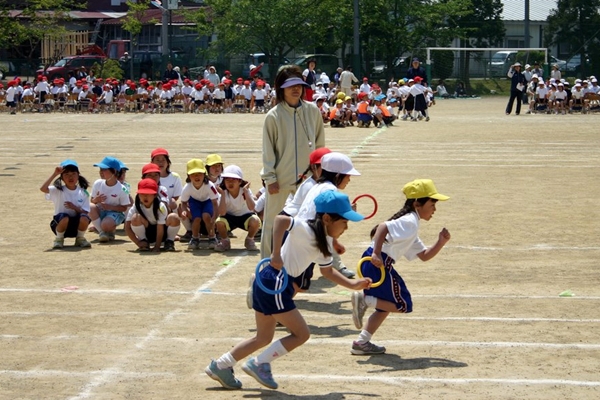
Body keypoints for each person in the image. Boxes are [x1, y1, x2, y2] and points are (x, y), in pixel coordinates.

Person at [205, 191, 371, 390]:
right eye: (344, 222)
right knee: (301, 334)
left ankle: (221, 365)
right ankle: (259, 363)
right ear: (327, 219)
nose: (346, 227)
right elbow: (280, 220)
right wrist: (276, 254)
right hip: (275, 283)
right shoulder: (305, 229)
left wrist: (353, 285)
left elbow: (327, 271)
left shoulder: (325, 242)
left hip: (269, 282)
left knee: (263, 337)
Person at [350, 179, 451, 355]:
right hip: (377, 264)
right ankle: (365, 300)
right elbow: (383, 227)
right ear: (417, 203)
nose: (434, 208)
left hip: (375, 263)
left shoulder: (412, 224)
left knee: (386, 305)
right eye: (432, 203)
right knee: (402, 304)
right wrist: (376, 253)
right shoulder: (410, 221)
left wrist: (441, 242)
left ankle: (361, 342)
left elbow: (424, 256)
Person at [260, 65, 326, 258]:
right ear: (281, 88)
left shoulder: (313, 111)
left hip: (308, 179)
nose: (296, 89)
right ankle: (266, 263)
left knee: (313, 220)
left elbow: (320, 145)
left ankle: (320, 264)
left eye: (299, 85)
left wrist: (320, 173)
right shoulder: (273, 116)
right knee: (273, 222)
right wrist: (270, 177)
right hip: (279, 180)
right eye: (290, 85)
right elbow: (268, 150)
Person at [40, 159, 92, 249]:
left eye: (73, 174)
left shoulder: (83, 192)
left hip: (76, 225)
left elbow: (86, 211)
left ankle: (80, 238)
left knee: (84, 217)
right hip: (60, 224)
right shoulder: (58, 190)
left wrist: (74, 207)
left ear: (78, 175)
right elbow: (43, 189)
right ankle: (59, 239)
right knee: (64, 217)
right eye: (66, 174)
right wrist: (54, 174)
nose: (70, 177)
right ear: (62, 177)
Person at [214, 165, 261, 251]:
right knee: (219, 222)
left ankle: (249, 239)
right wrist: (223, 195)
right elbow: (222, 213)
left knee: (255, 220)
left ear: (240, 182)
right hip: (229, 217)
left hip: (245, 216)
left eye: (234, 180)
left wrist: (246, 192)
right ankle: (225, 241)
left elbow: (252, 208)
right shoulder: (223, 192)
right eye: (227, 180)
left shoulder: (244, 191)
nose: (230, 183)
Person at [180, 159, 219, 250]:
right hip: (194, 201)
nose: (196, 177)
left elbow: (215, 202)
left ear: (204, 174)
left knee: (207, 216)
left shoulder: (210, 185)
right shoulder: (187, 187)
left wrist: (215, 216)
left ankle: (212, 237)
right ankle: (195, 238)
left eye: (199, 174)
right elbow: (183, 202)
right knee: (196, 218)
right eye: (193, 174)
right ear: (189, 176)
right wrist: (184, 211)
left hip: (207, 201)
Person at [89, 156, 131, 242]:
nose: (101, 172)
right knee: (90, 207)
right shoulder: (98, 183)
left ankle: (108, 229)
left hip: (115, 213)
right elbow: (92, 201)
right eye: (100, 169)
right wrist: (96, 200)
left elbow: (124, 208)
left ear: (114, 171)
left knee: (106, 224)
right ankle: (103, 232)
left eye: (104, 170)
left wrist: (110, 207)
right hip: (101, 211)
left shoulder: (122, 189)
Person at [125, 178, 167, 252]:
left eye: (148, 194)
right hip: (147, 233)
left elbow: (160, 227)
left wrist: (157, 246)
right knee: (135, 217)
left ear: (154, 195)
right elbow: (127, 227)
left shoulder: (160, 206)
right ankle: (144, 242)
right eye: (142, 194)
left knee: (173, 217)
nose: (145, 197)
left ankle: (169, 241)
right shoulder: (136, 206)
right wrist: (138, 242)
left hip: (162, 233)